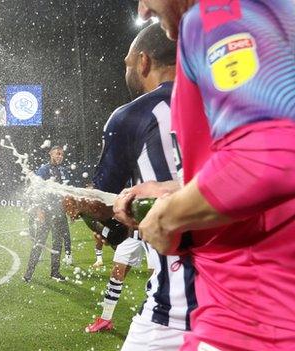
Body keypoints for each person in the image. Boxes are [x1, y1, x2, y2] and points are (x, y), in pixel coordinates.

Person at [113, 1, 295, 350]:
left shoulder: (218, 14)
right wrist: (174, 190)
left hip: (256, 318)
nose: (144, 10)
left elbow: (270, 157)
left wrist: (169, 217)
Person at [68, 25, 197, 351]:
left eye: (126, 62)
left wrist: (83, 205)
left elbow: (105, 210)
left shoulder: (131, 116)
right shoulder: (226, 102)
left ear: (142, 62)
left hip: (177, 308)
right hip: (250, 300)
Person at [23, 145, 72, 283]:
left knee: (57, 243)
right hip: (46, 211)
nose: (60, 156)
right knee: (39, 242)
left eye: (62, 154)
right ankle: (28, 274)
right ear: (50, 154)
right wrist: (39, 209)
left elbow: (67, 193)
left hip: (60, 213)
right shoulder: (44, 170)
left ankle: (55, 273)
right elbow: (37, 190)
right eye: (57, 154)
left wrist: (69, 209)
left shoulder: (64, 171)